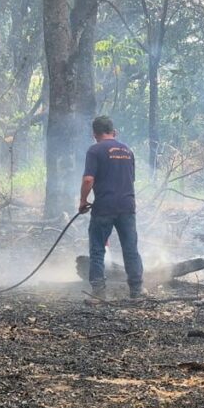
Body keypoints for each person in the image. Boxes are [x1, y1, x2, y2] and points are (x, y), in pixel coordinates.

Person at [79, 116, 144, 299]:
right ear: (114, 132)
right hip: (127, 206)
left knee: (98, 249)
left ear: (95, 134)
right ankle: (137, 291)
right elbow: (130, 179)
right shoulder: (128, 151)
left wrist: (83, 200)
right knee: (130, 248)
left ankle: (98, 293)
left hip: (104, 207)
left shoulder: (95, 150)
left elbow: (88, 179)